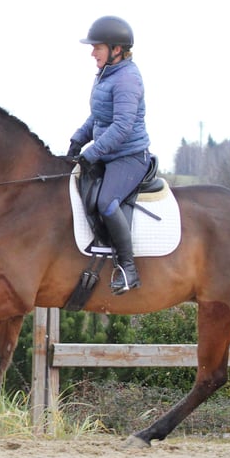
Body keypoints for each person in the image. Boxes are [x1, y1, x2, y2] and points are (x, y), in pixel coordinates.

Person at [67, 15, 151, 294]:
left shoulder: (127, 78)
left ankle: (128, 268)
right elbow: (99, 117)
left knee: (106, 201)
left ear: (116, 49)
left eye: (97, 47)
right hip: (109, 152)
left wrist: (94, 152)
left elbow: (122, 127)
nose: (92, 53)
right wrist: (78, 141)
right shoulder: (107, 75)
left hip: (129, 156)